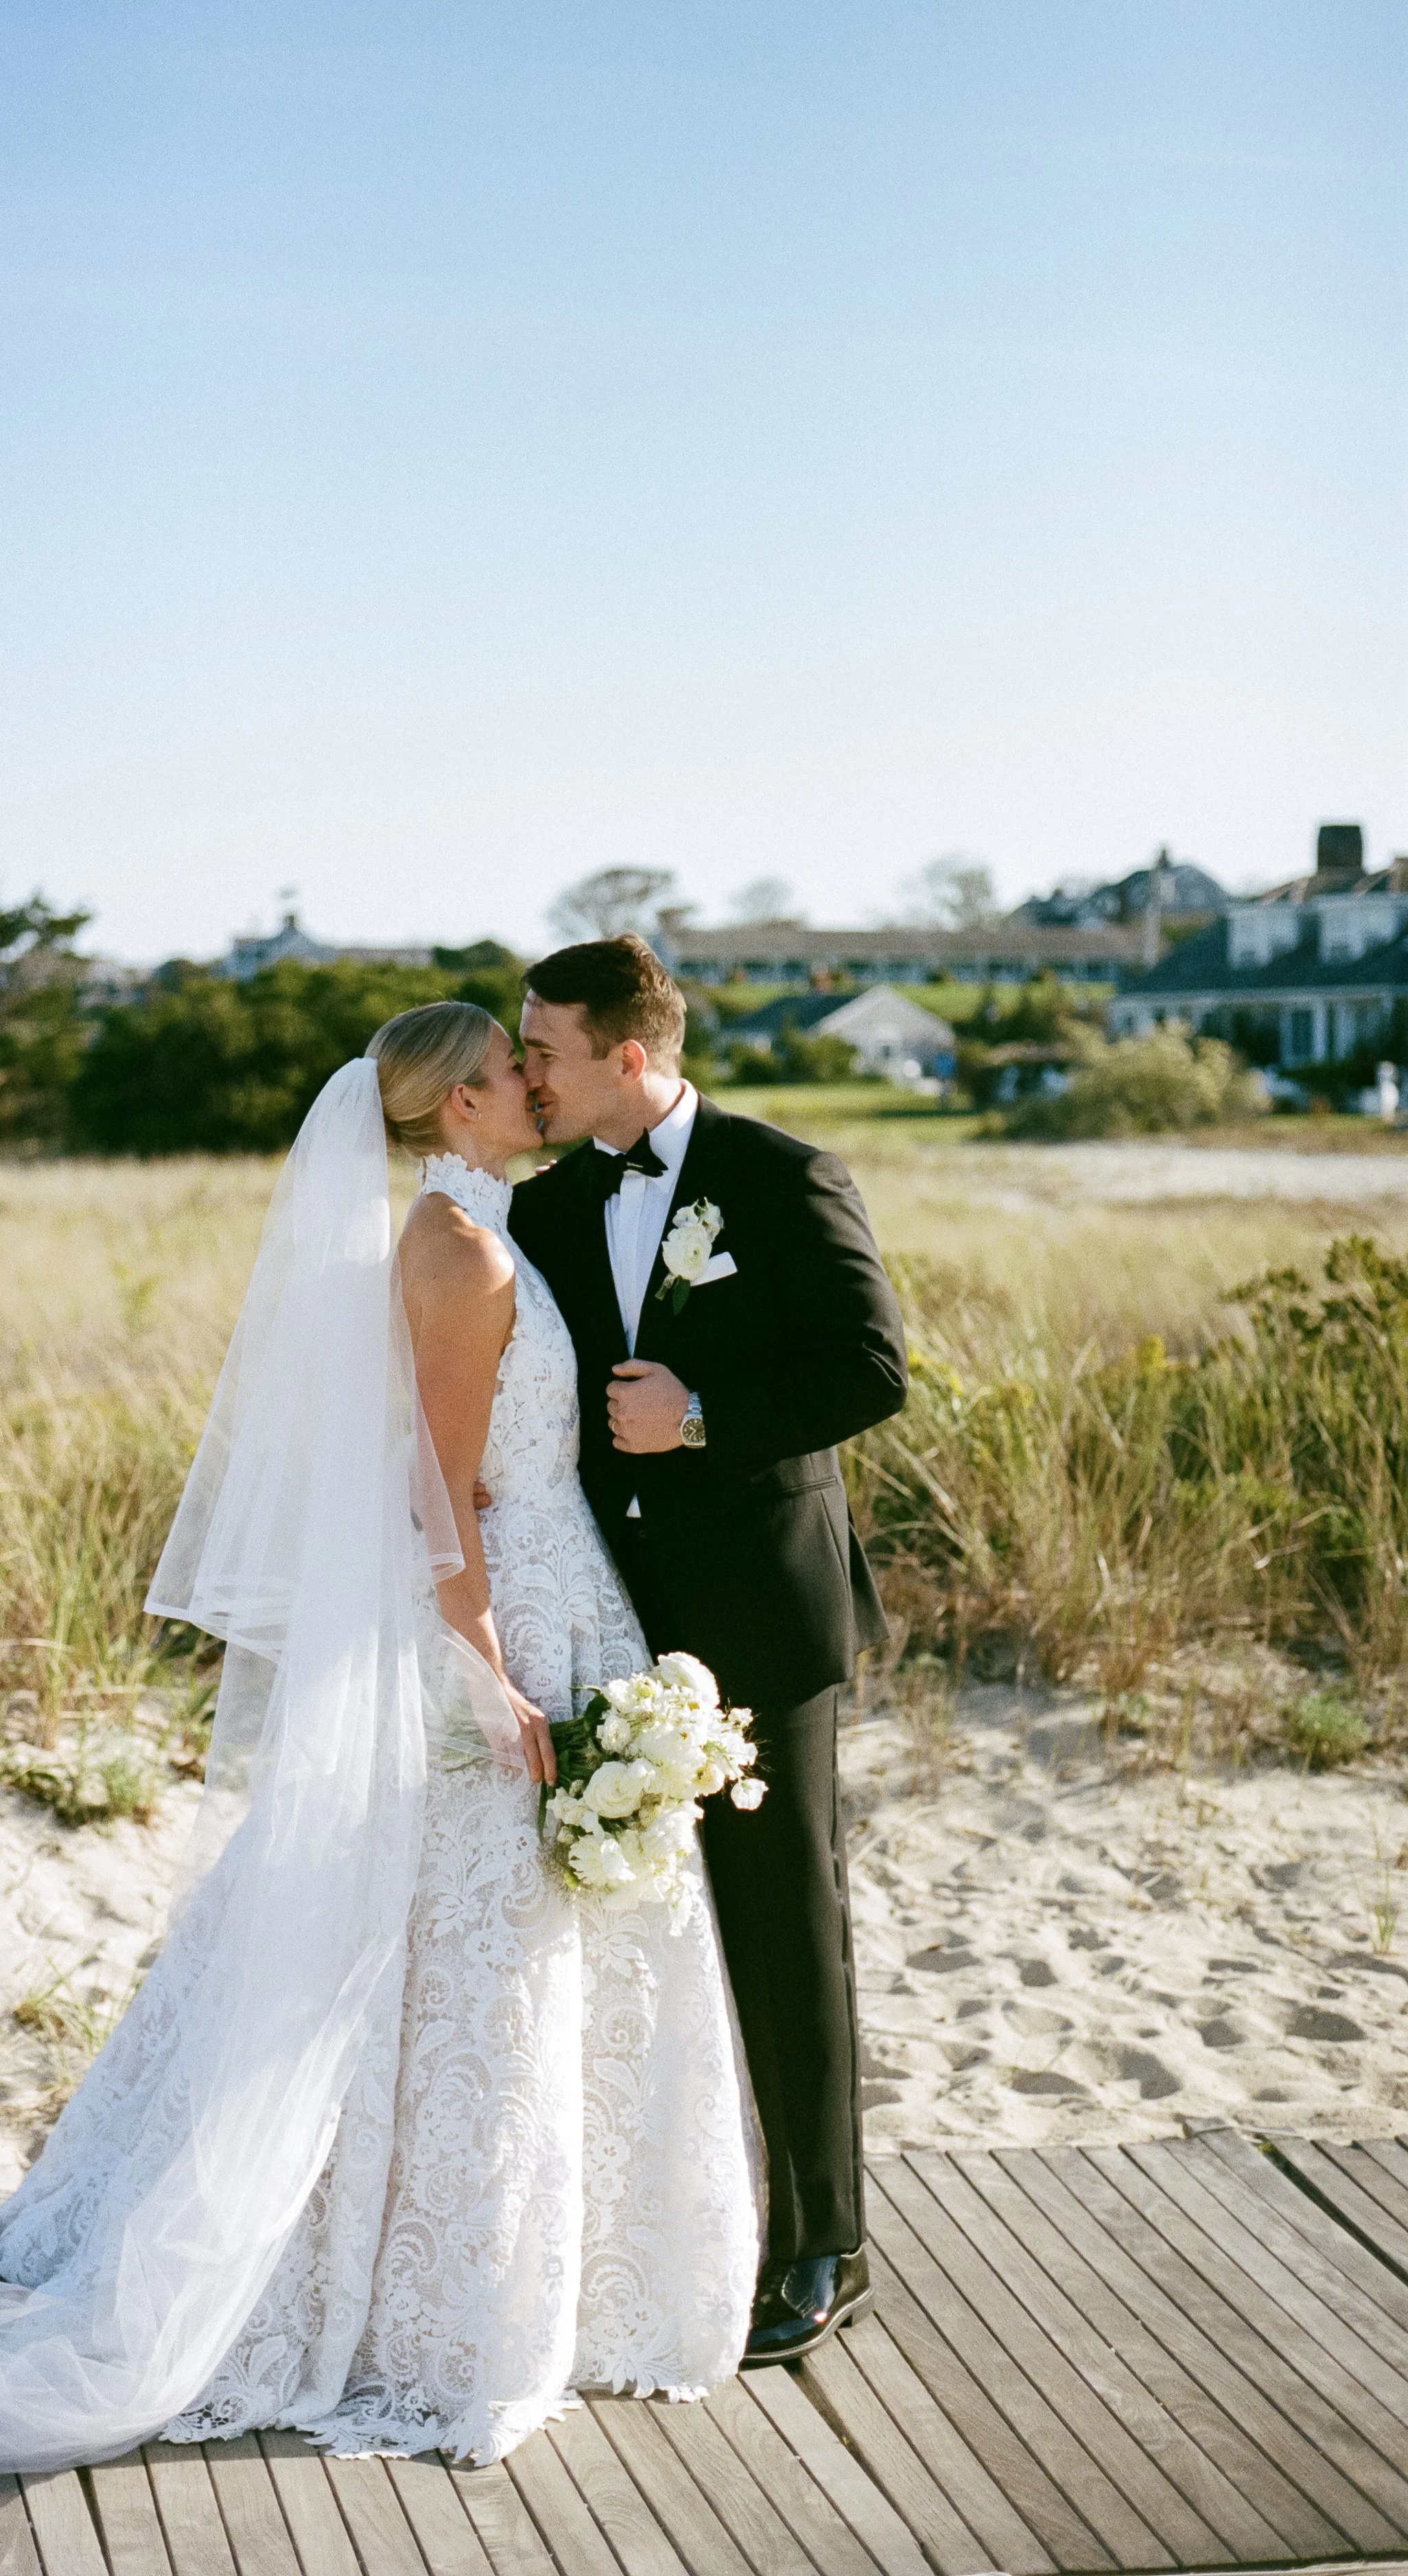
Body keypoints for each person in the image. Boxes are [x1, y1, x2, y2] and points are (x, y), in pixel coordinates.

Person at [0, 1007, 756, 2478]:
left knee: (499, 1956)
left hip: (564, 1606)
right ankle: (411, 2299)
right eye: (515, 1068)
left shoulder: (493, 1222)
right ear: (459, 1103)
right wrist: (487, 1677)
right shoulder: (454, 1250)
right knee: (462, 1952)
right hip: (500, 1632)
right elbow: (438, 1499)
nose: (536, 1079)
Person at [508, 936, 908, 2363]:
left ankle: (826, 2245)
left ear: (627, 1053)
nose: (523, 1072)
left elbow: (869, 1366)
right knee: (631, 1931)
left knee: (780, 1921)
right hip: (604, 1615)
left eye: (541, 1047)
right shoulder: (546, 1208)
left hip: (757, 1616)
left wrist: (698, 1415)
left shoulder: (782, 1172)